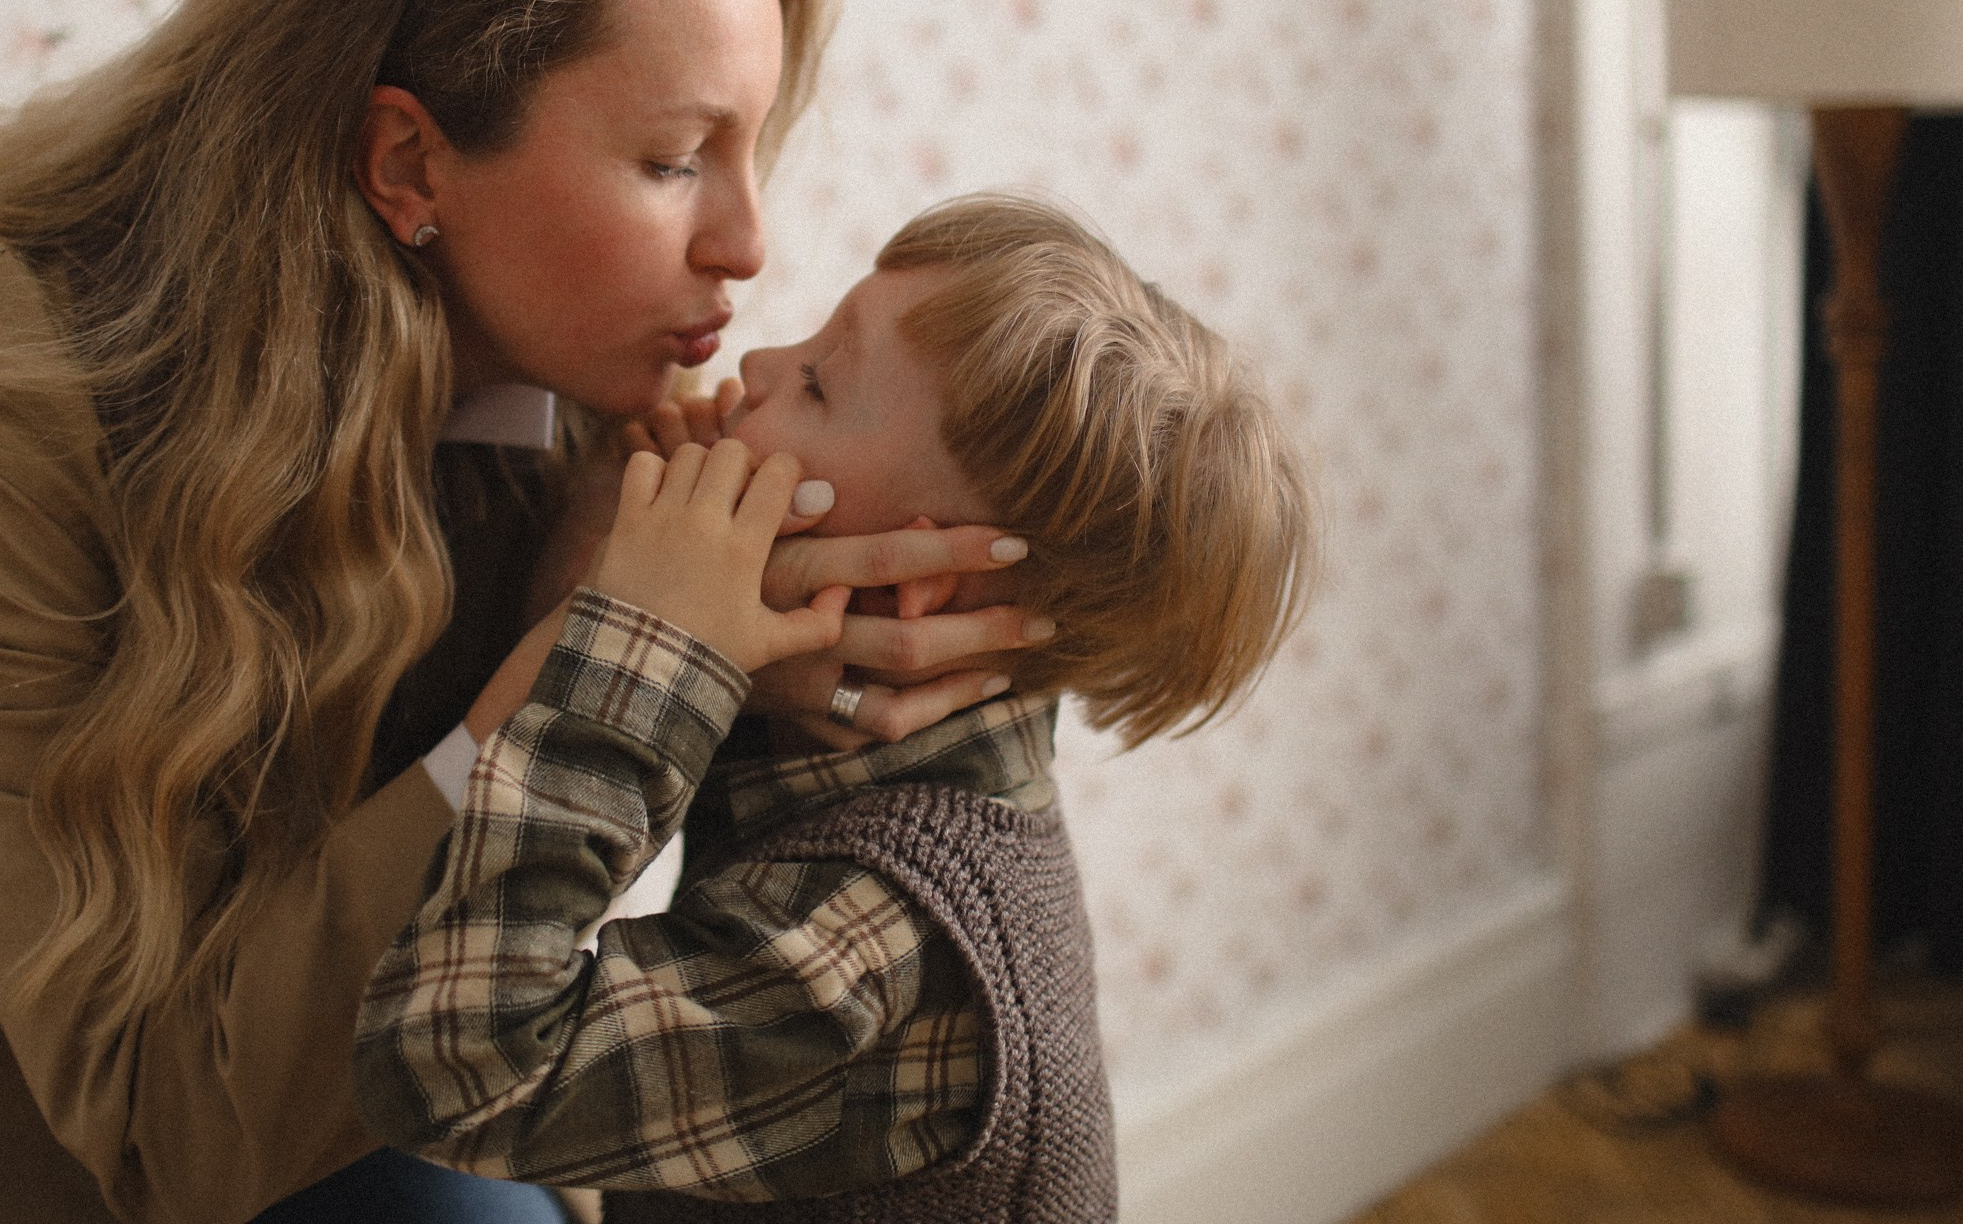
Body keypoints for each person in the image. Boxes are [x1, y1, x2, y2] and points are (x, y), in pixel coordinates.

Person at [0, 0, 1047, 1224]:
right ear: (406, 160)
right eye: (678, 158)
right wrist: (603, 676)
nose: (750, 246)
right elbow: (156, 1126)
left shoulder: (583, 376)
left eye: (754, 149)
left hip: (333, 1099)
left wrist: (861, 664)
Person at [352, 193, 1318, 1220]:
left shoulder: (891, 933)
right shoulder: (862, 737)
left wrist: (651, 649)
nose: (759, 364)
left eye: (816, 382)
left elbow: (450, 1065)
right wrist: (603, 556)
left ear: (914, 578)